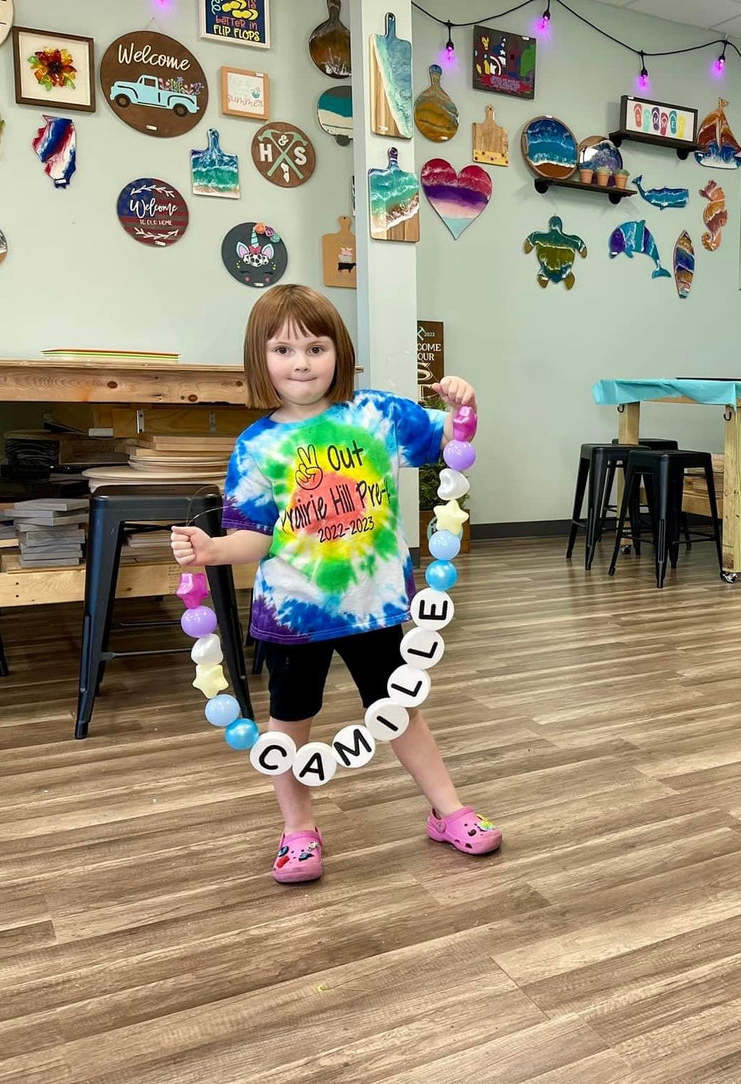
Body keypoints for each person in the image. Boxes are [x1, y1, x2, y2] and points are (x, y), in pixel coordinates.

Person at [169, 284, 500, 884]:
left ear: (338, 353)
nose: (301, 363)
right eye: (284, 349)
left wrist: (462, 406)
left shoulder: (377, 415)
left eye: (316, 347)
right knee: (288, 728)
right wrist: (214, 549)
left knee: (400, 711)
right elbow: (256, 537)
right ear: (260, 359)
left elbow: (450, 445)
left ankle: (447, 810)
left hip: (376, 608)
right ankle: (298, 830)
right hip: (296, 612)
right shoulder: (256, 447)